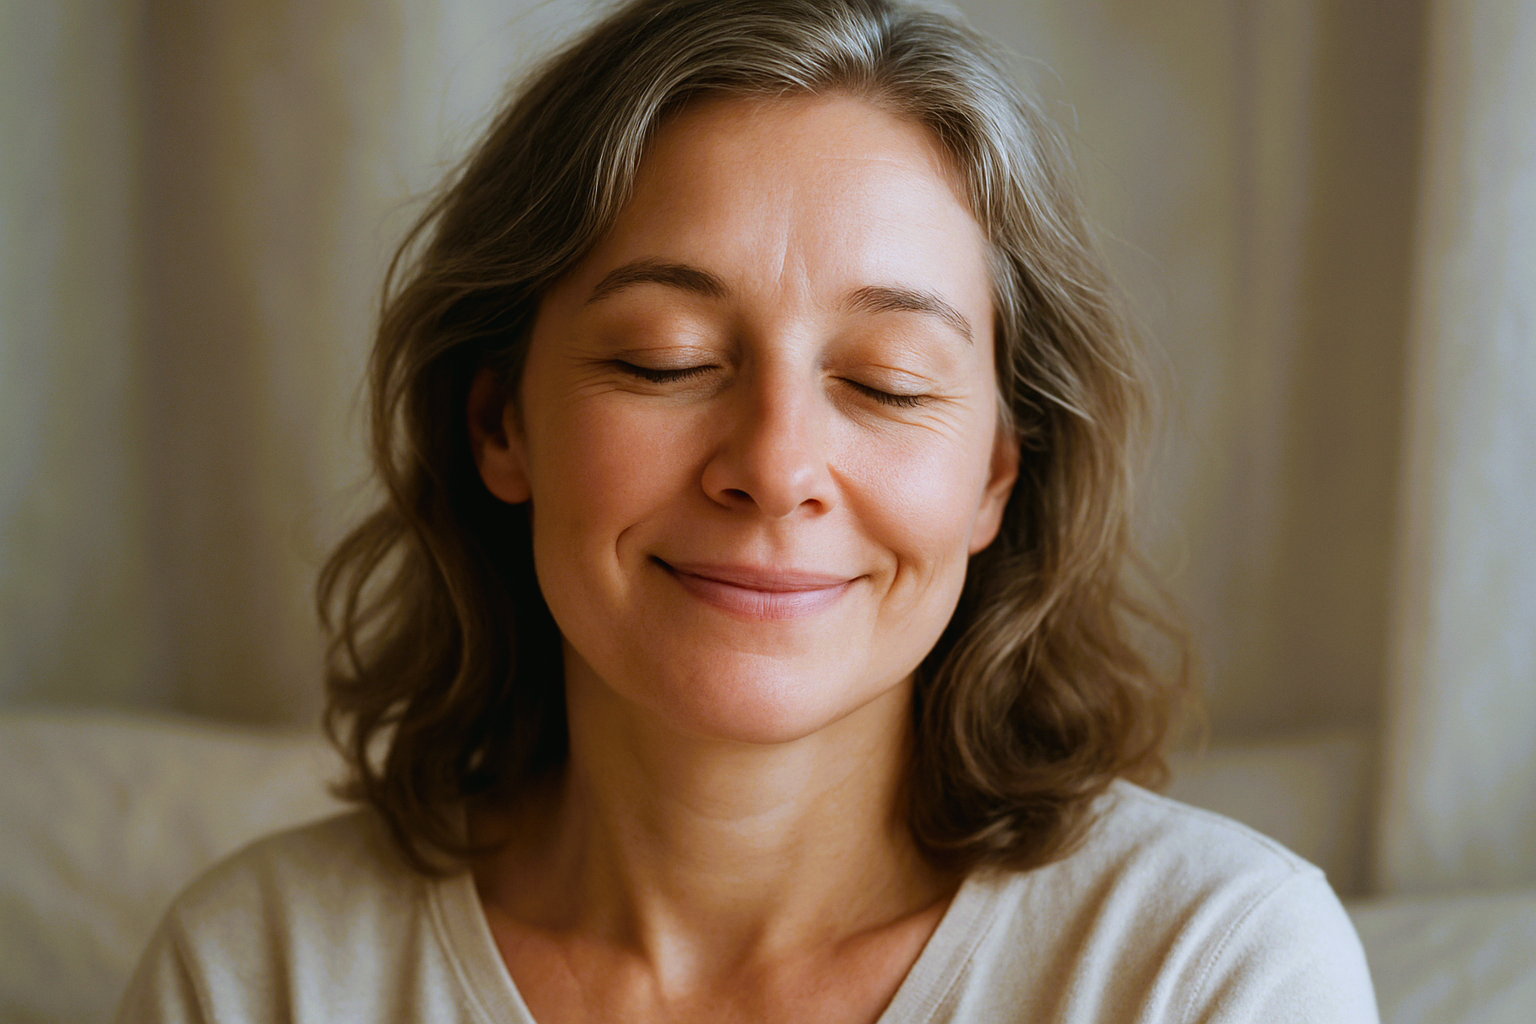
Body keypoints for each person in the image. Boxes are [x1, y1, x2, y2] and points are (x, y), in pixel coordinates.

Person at [116, 0, 1379, 1021]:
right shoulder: (259, 973)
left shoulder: (1206, 968)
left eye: (887, 382)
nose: (776, 466)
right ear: (501, 424)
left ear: (997, 474)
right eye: (664, 360)